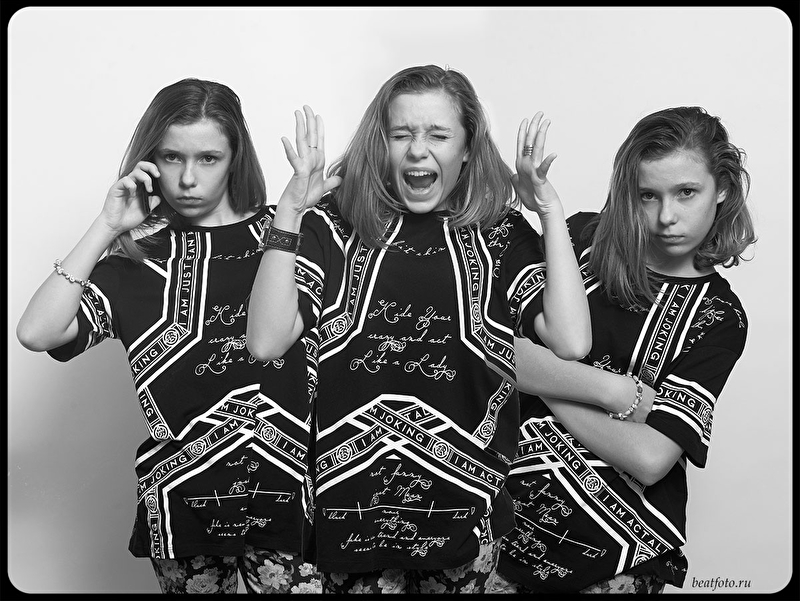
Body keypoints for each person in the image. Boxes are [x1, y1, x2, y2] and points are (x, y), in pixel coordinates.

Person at [246, 64, 591, 594]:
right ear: (380, 142)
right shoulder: (333, 224)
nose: (417, 150)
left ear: (468, 148)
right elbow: (265, 341)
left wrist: (547, 210)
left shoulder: (498, 233)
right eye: (401, 134)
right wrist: (290, 212)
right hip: (350, 511)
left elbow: (571, 341)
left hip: (465, 511)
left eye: (438, 135)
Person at [16, 78, 321, 594]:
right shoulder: (137, 259)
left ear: (235, 159)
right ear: (151, 160)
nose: (187, 179)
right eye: (172, 157)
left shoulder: (295, 233)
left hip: (293, 497)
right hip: (185, 502)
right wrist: (107, 225)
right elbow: (36, 332)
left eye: (208, 158)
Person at [486, 106, 757, 594]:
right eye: (648, 195)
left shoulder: (719, 316)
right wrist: (616, 393)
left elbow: (651, 457)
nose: (666, 217)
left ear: (722, 188)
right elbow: (493, 348)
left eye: (686, 192)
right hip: (499, 527)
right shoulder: (579, 240)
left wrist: (543, 377)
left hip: (619, 553)